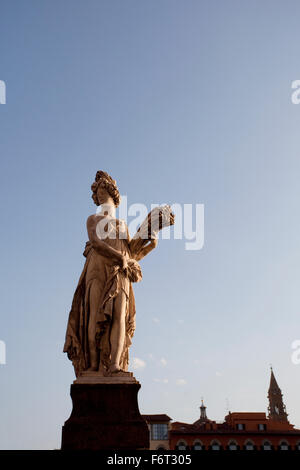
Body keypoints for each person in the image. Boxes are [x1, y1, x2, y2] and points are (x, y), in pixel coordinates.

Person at [63, 171, 157, 377]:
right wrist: (120, 257)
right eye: (97, 192)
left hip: (119, 272)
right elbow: (96, 243)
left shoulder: (122, 225)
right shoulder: (93, 219)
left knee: (119, 317)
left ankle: (115, 364)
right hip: (97, 269)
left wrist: (151, 233)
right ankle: (93, 367)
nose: (99, 194)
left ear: (113, 195)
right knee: (94, 315)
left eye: (103, 189)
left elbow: (131, 251)